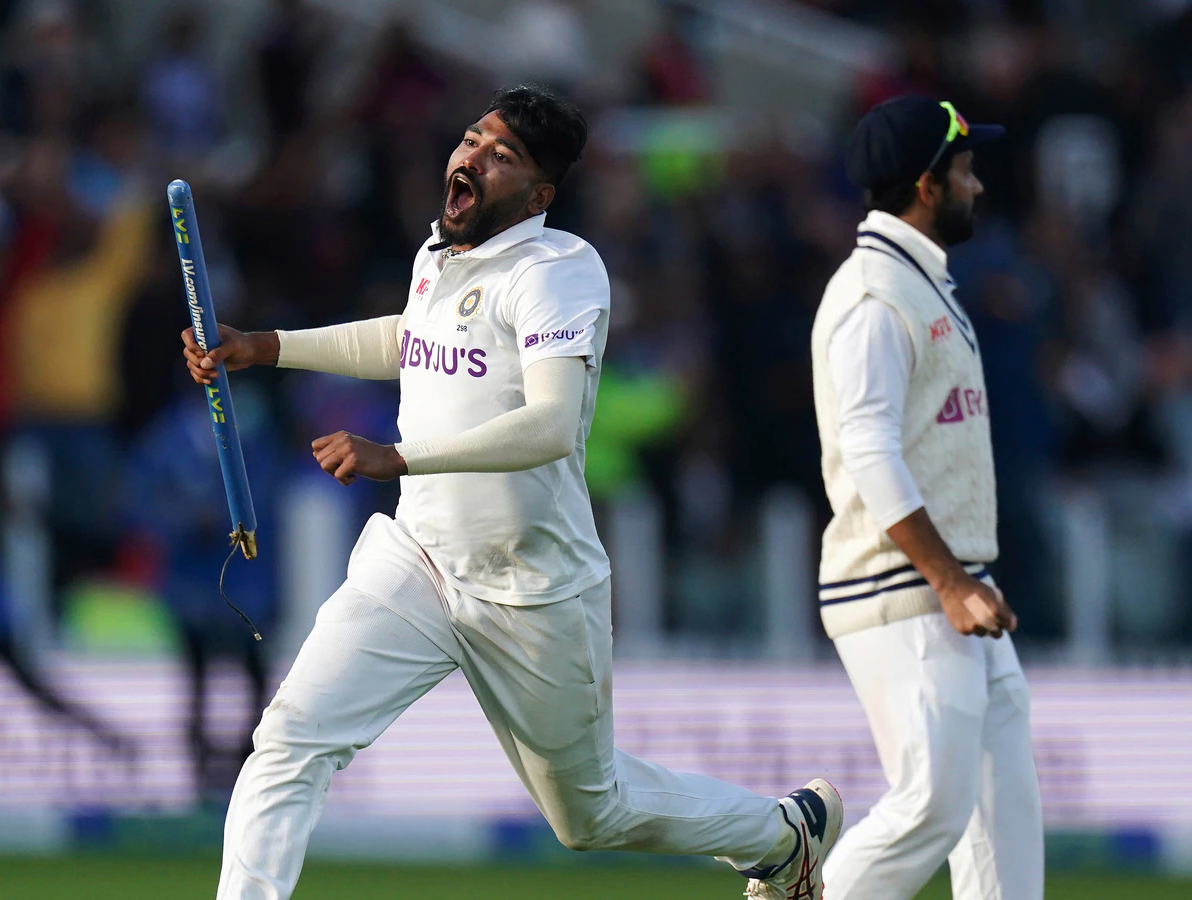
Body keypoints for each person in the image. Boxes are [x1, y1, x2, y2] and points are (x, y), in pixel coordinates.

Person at [183, 85, 842, 900]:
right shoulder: (440, 254)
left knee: (588, 817)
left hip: (532, 589)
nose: (472, 159)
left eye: (502, 157)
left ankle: (784, 836)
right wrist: (263, 346)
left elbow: (553, 426)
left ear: (538, 196)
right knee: (289, 738)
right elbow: (405, 335)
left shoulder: (560, 271)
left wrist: (399, 456)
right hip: (418, 561)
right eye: (471, 140)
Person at [810, 97, 1043, 900]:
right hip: (905, 589)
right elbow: (868, 452)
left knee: (1002, 819)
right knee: (932, 809)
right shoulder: (874, 295)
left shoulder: (919, 283)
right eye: (966, 170)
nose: (977, 185)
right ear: (925, 185)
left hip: (956, 588)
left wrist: (962, 583)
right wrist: (948, 582)